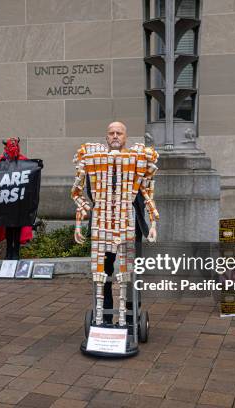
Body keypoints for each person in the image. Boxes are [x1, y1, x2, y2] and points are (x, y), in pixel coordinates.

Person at [72, 122, 159, 326]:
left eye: (119, 133)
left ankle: (129, 318)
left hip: (129, 223)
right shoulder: (92, 159)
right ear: (106, 137)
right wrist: (79, 221)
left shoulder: (137, 160)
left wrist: (153, 222)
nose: (115, 136)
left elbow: (147, 191)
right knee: (103, 271)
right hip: (101, 223)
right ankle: (104, 317)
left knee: (128, 270)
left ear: (125, 137)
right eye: (111, 133)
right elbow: (78, 192)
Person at [0, 138, 33, 260]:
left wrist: (37, 166)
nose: (13, 149)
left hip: (18, 201)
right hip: (5, 201)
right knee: (8, 227)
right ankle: (9, 251)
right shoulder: (0, 162)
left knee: (17, 226)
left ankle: (16, 251)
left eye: (14, 146)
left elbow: (30, 177)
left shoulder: (23, 162)